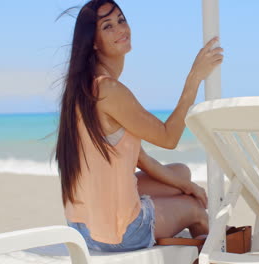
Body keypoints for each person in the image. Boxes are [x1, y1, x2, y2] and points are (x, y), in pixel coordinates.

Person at [55, 0, 223, 252]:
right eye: (108, 26)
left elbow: (141, 159)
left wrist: (186, 186)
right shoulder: (108, 90)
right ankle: (214, 252)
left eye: (121, 20)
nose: (121, 29)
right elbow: (168, 138)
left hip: (80, 226)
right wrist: (194, 78)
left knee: (182, 174)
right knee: (196, 210)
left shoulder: (83, 88)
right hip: (115, 232)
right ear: (93, 41)